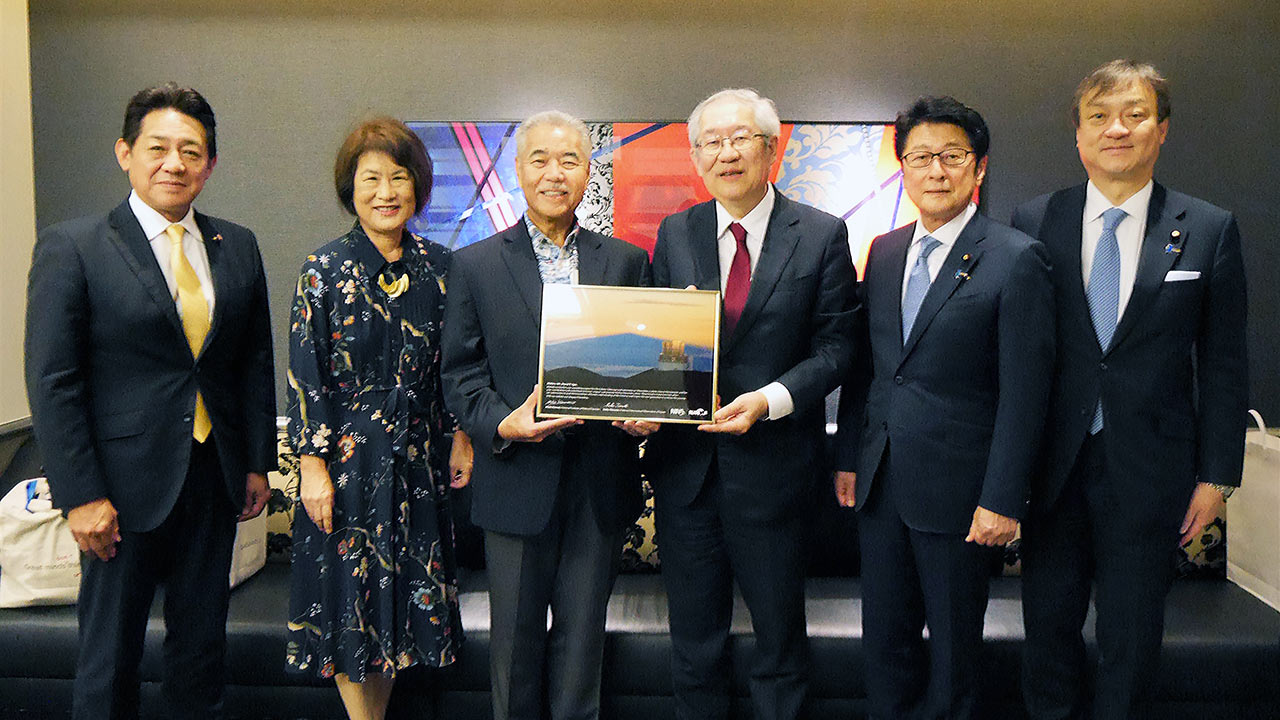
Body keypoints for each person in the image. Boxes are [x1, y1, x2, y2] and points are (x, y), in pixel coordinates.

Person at [24, 83, 275, 720]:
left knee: (200, 654)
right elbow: (54, 380)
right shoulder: (74, 246)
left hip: (211, 479)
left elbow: (251, 362)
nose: (175, 163)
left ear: (210, 164)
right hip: (117, 490)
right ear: (125, 153)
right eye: (158, 147)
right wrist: (79, 494)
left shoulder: (236, 245)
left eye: (191, 151)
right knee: (109, 659)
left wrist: (255, 463)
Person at [1011, 59, 1248, 720]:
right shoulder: (1034, 221)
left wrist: (1217, 477)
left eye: (1135, 114)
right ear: (1079, 137)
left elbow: (1225, 362)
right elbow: (1016, 354)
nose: (1118, 129)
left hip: (1153, 470)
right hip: (1051, 471)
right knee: (1048, 636)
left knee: (1133, 640)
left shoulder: (1207, 227)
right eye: (1099, 117)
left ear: (1161, 130)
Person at [834, 96, 1054, 719]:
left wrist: (1004, 497)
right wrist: (850, 456)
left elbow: (1026, 392)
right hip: (881, 487)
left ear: (978, 168)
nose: (936, 170)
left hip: (963, 496)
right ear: (902, 166)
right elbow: (869, 370)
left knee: (956, 658)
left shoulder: (1016, 257)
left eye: (952, 156)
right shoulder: (884, 251)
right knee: (886, 647)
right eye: (921, 157)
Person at [645, 88, 857, 720]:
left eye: (740, 139)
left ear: (772, 148)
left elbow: (839, 345)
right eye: (711, 142)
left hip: (775, 474)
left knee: (778, 645)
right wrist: (644, 403)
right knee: (694, 646)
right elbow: (659, 343)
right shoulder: (675, 231)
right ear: (695, 156)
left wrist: (770, 399)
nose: (726, 153)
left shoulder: (820, 234)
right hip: (687, 476)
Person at [440, 110, 651, 720]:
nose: (555, 174)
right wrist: (504, 423)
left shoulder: (628, 261)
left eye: (569, 161)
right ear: (517, 170)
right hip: (515, 481)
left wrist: (646, 412)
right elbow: (459, 374)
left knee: (582, 650)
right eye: (540, 159)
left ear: (590, 172)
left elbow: (644, 361)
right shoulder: (475, 265)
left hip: (599, 484)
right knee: (514, 649)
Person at [285, 116, 472, 720]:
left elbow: (460, 364)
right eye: (372, 178)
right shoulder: (323, 268)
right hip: (344, 464)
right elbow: (304, 377)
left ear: (416, 187)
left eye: (399, 177)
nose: (386, 192)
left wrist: (462, 434)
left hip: (418, 458)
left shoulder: (444, 270)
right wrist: (311, 467)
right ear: (351, 187)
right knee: (351, 609)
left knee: (397, 620)